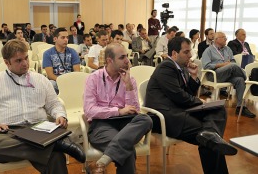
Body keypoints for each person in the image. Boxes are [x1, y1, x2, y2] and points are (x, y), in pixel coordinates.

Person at [0, 40, 85, 174]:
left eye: (26, 58)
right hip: (8, 132)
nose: (25, 63)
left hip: (39, 129)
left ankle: (50, 145)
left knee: (56, 157)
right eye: (18, 60)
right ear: (7, 62)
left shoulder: (40, 79)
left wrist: (60, 115)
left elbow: (54, 104)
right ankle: (55, 144)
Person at [146, 36, 238, 174]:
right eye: (186, 52)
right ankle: (210, 137)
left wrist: (194, 76)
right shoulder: (166, 67)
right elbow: (179, 96)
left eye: (190, 52)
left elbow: (188, 93)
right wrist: (200, 101)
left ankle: (210, 135)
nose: (190, 55)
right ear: (174, 53)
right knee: (209, 140)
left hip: (179, 110)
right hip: (165, 116)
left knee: (218, 110)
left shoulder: (180, 67)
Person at [84, 43, 152, 174]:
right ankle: (101, 163)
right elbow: (90, 110)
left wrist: (127, 84)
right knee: (127, 150)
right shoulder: (93, 78)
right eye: (122, 57)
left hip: (126, 123)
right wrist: (118, 111)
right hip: (102, 124)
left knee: (145, 119)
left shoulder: (129, 79)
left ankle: (100, 163)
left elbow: (136, 110)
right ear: (110, 60)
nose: (127, 60)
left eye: (127, 56)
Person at [201, 32, 256, 118]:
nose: (226, 39)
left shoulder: (227, 49)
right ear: (216, 40)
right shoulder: (208, 50)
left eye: (225, 37)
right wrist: (221, 65)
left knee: (240, 80)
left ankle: (240, 107)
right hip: (215, 75)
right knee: (233, 66)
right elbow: (206, 66)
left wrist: (229, 65)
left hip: (228, 74)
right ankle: (249, 82)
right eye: (223, 37)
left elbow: (233, 60)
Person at [43, 27, 80, 94]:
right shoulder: (47, 53)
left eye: (67, 37)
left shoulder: (73, 52)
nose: (66, 40)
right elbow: (50, 75)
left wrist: (69, 81)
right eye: (63, 37)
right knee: (51, 84)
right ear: (55, 39)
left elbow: (77, 71)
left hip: (71, 80)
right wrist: (62, 81)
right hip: (56, 80)